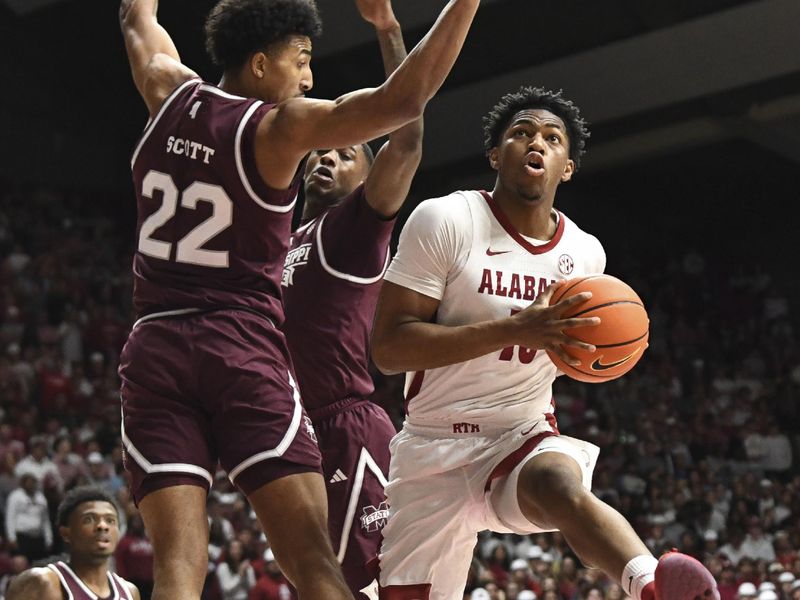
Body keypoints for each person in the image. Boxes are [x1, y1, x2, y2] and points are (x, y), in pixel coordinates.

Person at [117, 0, 479, 598]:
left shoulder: (166, 90)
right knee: (313, 563)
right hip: (239, 351)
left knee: (178, 569)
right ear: (260, 65)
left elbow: (136, 16)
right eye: (302, 61)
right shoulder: (277, 129)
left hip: (154, 347)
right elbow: (402, 101)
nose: (308, 78)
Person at [370, 86, 719, 600]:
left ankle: (650, 584)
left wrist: (595, 358)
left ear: (567, 167)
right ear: (495, 154)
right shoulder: (444, 219)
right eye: (521, 133)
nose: (536, 143)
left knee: (560, 484)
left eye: (552, 138)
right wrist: (513, 330)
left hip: (519, 432)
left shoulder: (585, 255)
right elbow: (388, 349)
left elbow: (574, 356)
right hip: (432, 446)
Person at [279, 0, 421, 596]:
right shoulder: (284, 240)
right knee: (319, 580)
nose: (326, 158)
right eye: (321, 151)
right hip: (295, 431)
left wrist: (388, 31)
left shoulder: (355, 231)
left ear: (368, 178)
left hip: (348, 427)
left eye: (344, 155)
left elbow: (407, 139)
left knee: (370, 584)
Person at [5, 485, 139, 600]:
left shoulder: (130, 592)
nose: (102, 526)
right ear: (66, 533)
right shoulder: (41, 582)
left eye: (110, 520)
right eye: (89, 519)